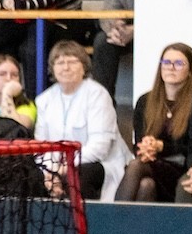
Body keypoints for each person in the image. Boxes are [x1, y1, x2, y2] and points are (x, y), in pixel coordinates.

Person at [35, 40, 127, 202]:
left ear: (84, 66)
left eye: (72, 62)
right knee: (32, 177)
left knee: (76, 177)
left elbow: (100, 148)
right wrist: (50, 171)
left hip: (99, 163)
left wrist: (65, 167)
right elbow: (41, 146)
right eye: (60, 63)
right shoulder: (44, 99)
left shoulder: (97, 95)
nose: (66, 67)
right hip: (57, 166)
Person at [116, 44, 192, 204]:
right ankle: (128, 221)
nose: (171, 68)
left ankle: (113, 217)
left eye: (179, 63)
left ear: (191, 70)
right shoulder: (145, 101)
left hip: (182, 169)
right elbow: (138, 143)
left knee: (136, 166)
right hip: (151, 166)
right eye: (166, 62)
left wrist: (161, 146)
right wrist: (145, 149)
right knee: (146, 185)